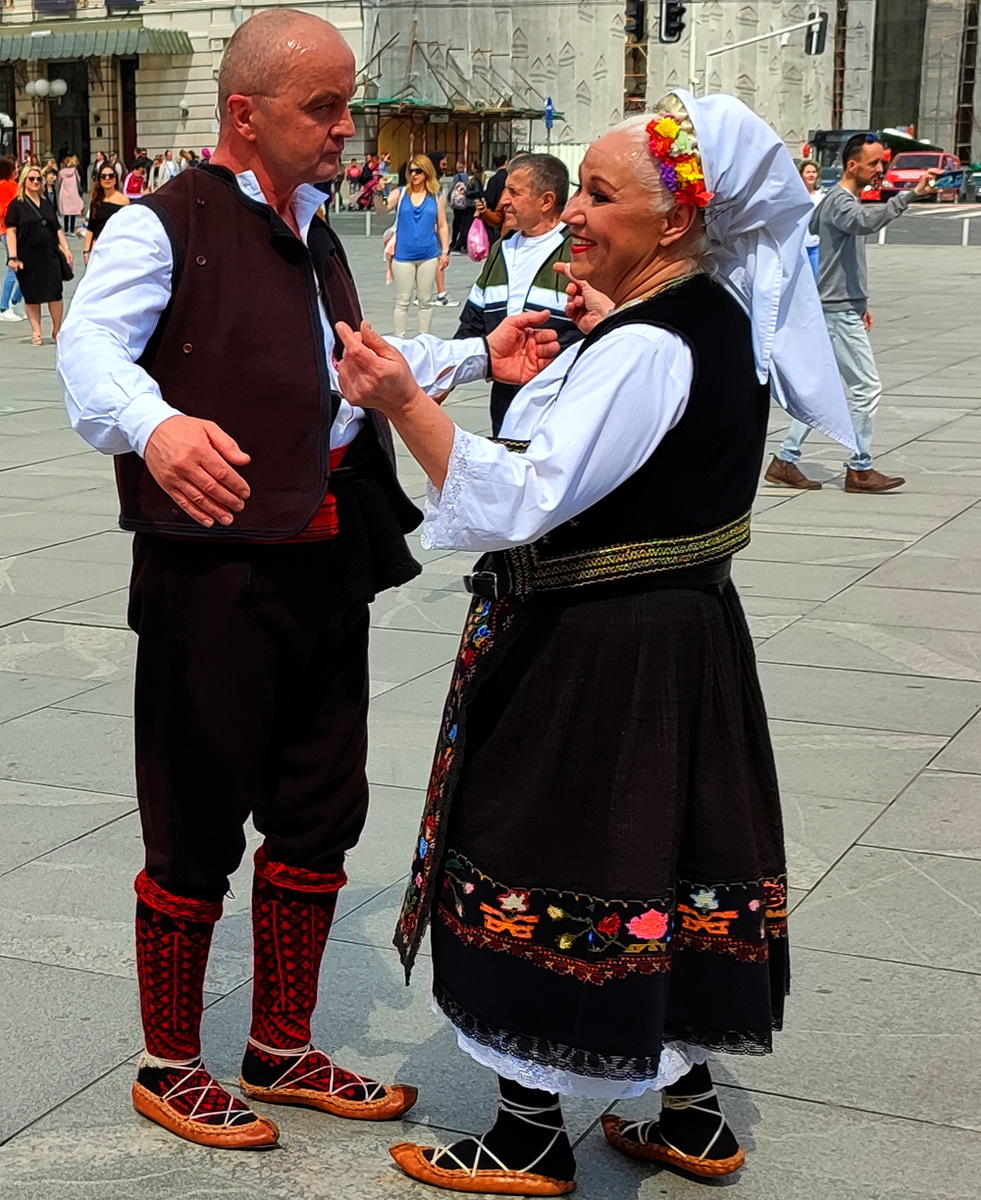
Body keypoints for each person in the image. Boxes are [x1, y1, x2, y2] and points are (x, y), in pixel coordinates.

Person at [335, 89, 855, 1195]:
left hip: (598, 650)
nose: (576, 216)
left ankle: (526, 1136)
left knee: (545, 849)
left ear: (673, 224)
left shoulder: (650, 346)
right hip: (682, 637)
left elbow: (525, 496)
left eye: (602, 199)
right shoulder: (703, 318)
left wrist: (399, 403)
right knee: (669, 857)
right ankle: (693, 1117)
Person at [57, 8, 558, 1153]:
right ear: (246, 114)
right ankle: (169, 1060)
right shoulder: (160, 225)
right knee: (192, 812)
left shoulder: (319, 228)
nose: (345, 129)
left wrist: (484, 353)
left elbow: (351, 371)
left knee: (320, 805)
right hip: (214, 569)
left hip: (327, 553)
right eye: (322, 109)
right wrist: (157, 425)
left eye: (346, 106)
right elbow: (90, 354)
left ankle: (281, 1041)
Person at [766, 133, 937, 493]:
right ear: (852, 165)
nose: (880, 169)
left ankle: (785, 459)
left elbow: (837, 251)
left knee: (823, 389)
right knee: (867, 388)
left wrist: (861, 304)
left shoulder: (836, 200)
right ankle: (859, 468)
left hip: (841, 307)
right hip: (837, 310)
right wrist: (910, 195)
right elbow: (865, 222)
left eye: (882, 162)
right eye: (874, 163)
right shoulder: (841, 202)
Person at [456, 154, 582, 434]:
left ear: (546, 201)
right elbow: (472, 325)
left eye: (514, 192)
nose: (502, 201)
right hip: (505, 405)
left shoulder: (580, 250)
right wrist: (444, 381)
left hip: (560, 406)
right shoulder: (502, 249)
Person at [6, 162, 73, 345]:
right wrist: (13, 257)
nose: (36, 182)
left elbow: (56, 227)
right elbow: (11, 231)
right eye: (32, 179)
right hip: (27, 255)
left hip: (49, 253)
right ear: (24, 181)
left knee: (55, 293)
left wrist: (66, 248)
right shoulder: (17, 205)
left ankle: (57, 329)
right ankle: (36, 332)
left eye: (38, 179)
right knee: (32, 295)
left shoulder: (46, 202)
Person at [387, 155, 450, 336]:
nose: (413, 174)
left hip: (429, 254)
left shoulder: (436, 196)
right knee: (403, 300)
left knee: (425, 300)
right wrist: (378, 192)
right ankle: (400, 340)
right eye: (411, 171)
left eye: (418, 171)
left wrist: (445, 251)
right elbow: (382, 209)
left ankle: (424, 338)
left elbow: (443, 225)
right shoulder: (401, 194)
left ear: (426, 172)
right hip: (403, 254)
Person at [427, 150, 460, 307]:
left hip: (431, 227)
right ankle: (441, 294)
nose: (446, 167)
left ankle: (425, 293)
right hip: (431, 229)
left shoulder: (432, 181)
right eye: (443, 164)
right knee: (438, 259)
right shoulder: (430, 183)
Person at [82, 163, 130, 269]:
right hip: (98, 246)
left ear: (116, 178)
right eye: (103, 176)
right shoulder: (96, 200)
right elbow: (91, 227)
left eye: (111, 176)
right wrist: (86, 251)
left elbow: (127, 227)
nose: (107, 179)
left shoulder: (123, 200)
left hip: (116, 247)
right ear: (99, 179)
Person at [0, 154, 25, 322]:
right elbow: (3, 210)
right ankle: (3, 306)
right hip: (8, 231)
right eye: (15, 167)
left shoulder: (15, 185)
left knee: (25, 268)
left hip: (21, 230)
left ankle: (15, 301)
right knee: (13, 269)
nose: (17, 170)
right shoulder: (3, 186)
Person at [475, 152, 509, 246]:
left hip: (496, 216)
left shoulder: (493, 179)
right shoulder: (510, 178)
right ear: (506, 163)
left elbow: (489, 199)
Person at [799, 159, 823, 278]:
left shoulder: (821, 196)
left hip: (816, 245)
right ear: (801, 175)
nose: (811, 175)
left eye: (814, 172)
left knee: (815, 280)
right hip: (799, 246)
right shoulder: (796, 196)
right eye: (808, 172)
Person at [448, 158, 473, 252]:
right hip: (464, 203)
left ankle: (454, 241)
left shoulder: (456, 177)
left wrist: (449, 199)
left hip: (456, 204)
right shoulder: (467, 177)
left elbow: (451, 189)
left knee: (456, 222)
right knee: (464, 223)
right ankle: (462, 242)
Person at [57, 156, 84, 236]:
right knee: (73, 212)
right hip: (73, 192)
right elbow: (79, 179)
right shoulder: (74, 171)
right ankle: (72, 230)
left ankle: (66, 229)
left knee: (66, 212)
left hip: (64, 192)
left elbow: (59, 181)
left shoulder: (61, 172)